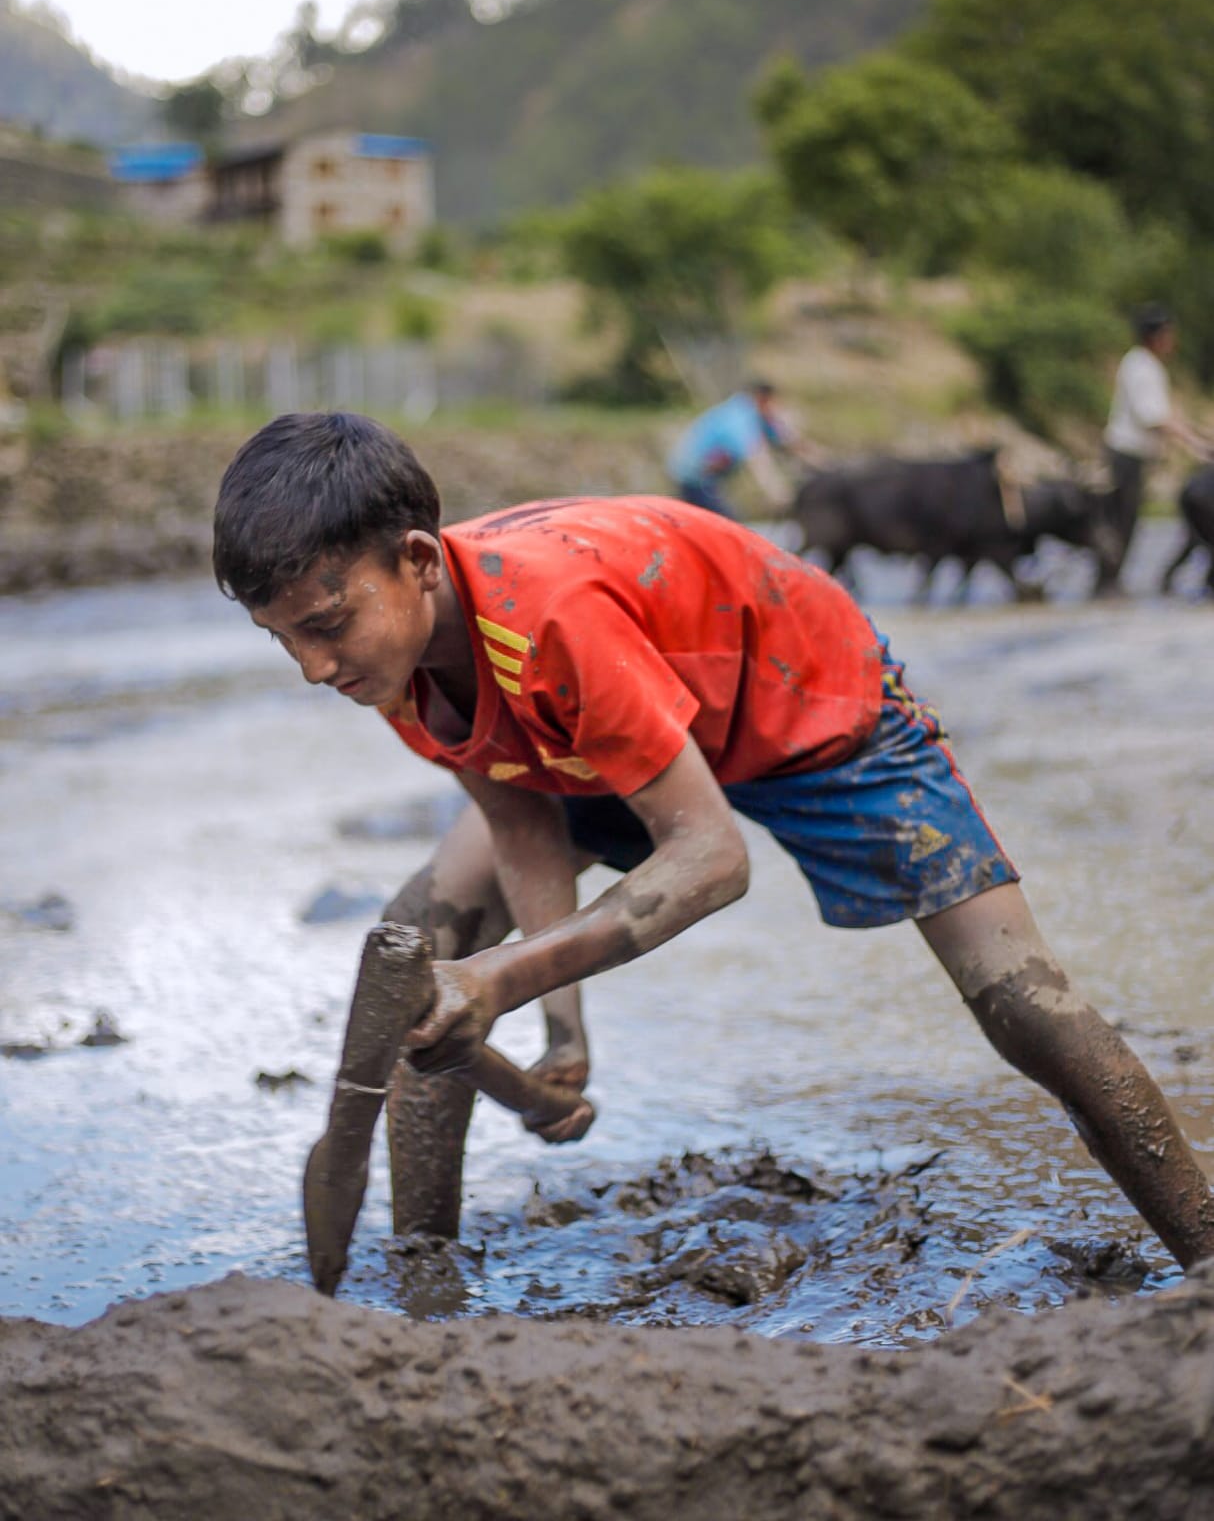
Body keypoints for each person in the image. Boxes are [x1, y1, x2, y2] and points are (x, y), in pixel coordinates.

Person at [213, 411, 1214, 1269]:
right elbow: (521, 816)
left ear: (418, 562)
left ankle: (1202, 1244)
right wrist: (562, 1031)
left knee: (1022, 1003)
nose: (312, 667)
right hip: (615, 733)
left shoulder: (549, 618)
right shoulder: (389, 660)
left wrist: (501, 981)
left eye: (325, 625)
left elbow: (710, 857)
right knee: (423, 943)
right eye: (284, 638)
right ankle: (419, 1279)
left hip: (814, 710)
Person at [1096, 304, 1213, 595]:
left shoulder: (1142, 364)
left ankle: (1111, 586)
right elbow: (1154, 417)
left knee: (1126, 520)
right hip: (1126, 454)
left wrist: (1197, 435)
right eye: (1169, 335)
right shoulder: (1142, 367)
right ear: (1157, 337)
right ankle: (1107, 586)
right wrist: (1197, 444)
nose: (1173, 341)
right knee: (1122, 522)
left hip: (1132, 454)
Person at [667, 381, 811, 518]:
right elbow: (757, 458)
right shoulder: (739, 417)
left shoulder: (756, 415)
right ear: (762, 399)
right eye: (772, 403)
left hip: (708, 477)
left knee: (717, 521)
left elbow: (790, 443)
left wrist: (827, 466)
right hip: (693, 476)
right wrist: (778, 494)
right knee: (725, 522)